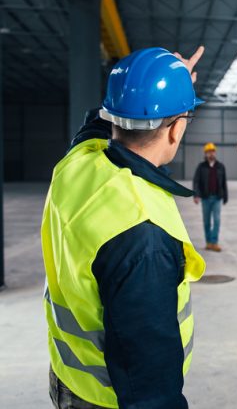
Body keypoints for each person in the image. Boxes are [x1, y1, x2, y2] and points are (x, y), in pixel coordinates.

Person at [41, 46, 207, 409]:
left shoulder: (76, 163)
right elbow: (149, 383)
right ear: (177, 130)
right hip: (107, 398)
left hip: (68, 378)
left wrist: (163, 83)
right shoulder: (143, 230)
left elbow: (93, 125)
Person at [193, 143, 228, 252]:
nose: (211, 153)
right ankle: (208, 242)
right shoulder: (201, 166)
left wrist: (225, 196)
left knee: (217, 220)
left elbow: (223, 182)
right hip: (205, 198)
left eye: (212, 151)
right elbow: (196, 181)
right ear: (206, 154)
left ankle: (214, 242)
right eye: (208, 152)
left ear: (215, 152)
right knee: (207, 221)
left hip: (217, 197)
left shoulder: (220, 166)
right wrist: (196, 195)